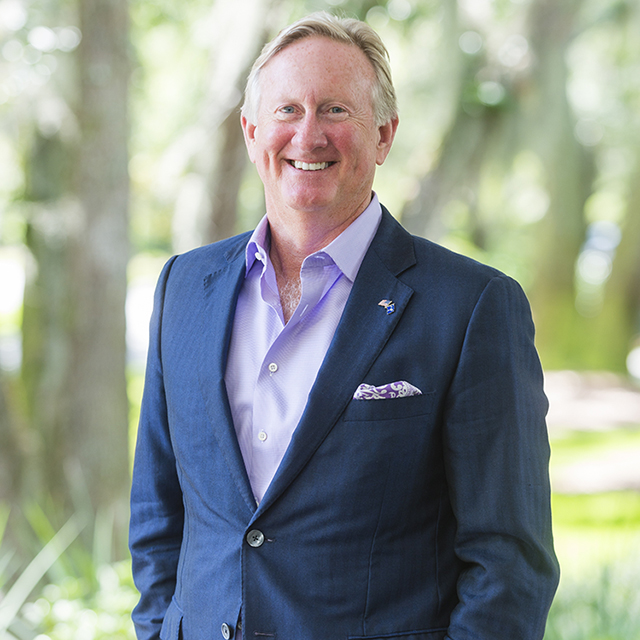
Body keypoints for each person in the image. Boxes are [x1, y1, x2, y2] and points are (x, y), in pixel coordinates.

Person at [129, 12, 559, 640]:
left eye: (335, 110)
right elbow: (158, 514)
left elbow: (508, 565)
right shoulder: (183, 289)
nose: (308, 135)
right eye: (287, 111)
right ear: (251, 132)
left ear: (383, 136)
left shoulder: (472, 308)